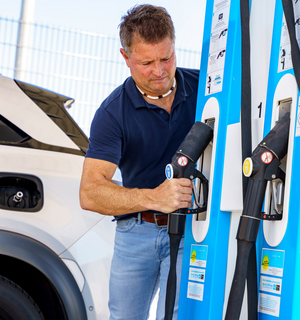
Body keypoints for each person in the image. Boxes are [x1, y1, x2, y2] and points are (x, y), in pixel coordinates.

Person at [79, 4, 200, 320]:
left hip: (193, 230)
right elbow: (90, 192)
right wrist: (155, 198)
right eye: (146, 62)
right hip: (136, 233)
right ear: (125, 57)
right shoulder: (111, 114)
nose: (159, 70)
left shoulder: (206, 91)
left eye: (167, 58)